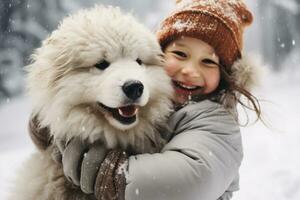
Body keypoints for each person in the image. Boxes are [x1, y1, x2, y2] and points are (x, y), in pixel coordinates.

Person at [29, 0, 261, 199]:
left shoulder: (216, 120)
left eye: (209, 62)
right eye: (180, 54)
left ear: (226, 75)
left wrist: (114, 175)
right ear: (161, 55)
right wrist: (49, 123)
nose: (190, 70)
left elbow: (192, 180)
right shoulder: (165, 107)